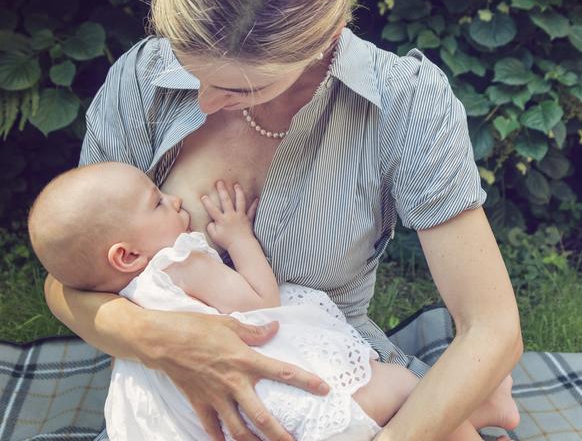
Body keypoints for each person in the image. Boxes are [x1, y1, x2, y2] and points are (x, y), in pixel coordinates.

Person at [42, 0, 523, 440]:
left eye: (241, 88)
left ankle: (468, 400)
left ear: (327, 34)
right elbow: (69, 280)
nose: (204, 100)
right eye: (191, 69)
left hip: (326, 371)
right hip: (178, 399)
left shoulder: (403, 102)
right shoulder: (144, 77)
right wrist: (159, 339)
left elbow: (492, 329)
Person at [30, 162, 518, 440]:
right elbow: (260, 299)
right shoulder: (177, 263)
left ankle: (483, 407)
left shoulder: (113, 292)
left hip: (201, 422)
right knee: (398, 390)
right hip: (272, 395)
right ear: (126, 253)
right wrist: (239, 238)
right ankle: (481, 406)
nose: (175, 202)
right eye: (158, 202)